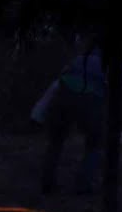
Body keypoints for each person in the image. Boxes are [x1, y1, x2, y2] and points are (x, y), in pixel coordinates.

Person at [40, 43, 109, 195]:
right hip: (90, 101)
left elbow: (59, 81)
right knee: (94, 143)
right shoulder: (108, 63)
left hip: (64, 98)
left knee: (56, 142)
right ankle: (83, 185)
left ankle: (47, 183)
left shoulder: (77, 59)